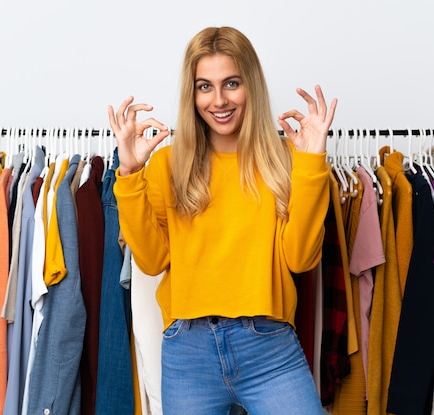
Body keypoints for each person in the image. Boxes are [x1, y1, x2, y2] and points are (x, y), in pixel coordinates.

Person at [108, 26, 337, 415]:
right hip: (188, 353)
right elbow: (149, 261)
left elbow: (301, 259)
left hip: (269, 348)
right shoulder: (166, 164)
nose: (218, 100)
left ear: (251, 85)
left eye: (231, 83)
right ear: (191, 93)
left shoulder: (287, 161)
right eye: (204, 86)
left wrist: (312, 162)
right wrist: (129, 174)